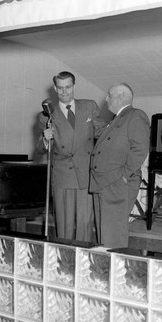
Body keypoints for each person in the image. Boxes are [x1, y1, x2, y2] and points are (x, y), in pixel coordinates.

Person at [37, 71, 105, 242]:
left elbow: (103, 134)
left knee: (85, 222)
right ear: (55, 89)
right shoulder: (46, 115)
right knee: (64, 225)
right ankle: (64, 259)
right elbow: (39, 148)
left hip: (86, 172)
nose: (64, 92)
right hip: (62, 175)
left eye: (68, 87)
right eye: (60, 88)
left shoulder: (89, 106)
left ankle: (83, 260)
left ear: (74, 86)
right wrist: (45, 139)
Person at [89, 82, 150, 249]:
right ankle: (106, 269)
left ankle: (114, 269)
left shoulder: (135, 115)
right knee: (105, 232)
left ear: (121, 97)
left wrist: (124, 176)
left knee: (113, 234)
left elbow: (140, 149)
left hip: (117, 182)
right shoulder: (117, 119)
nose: (106, 98)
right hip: (104, 182)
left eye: (109, 95)